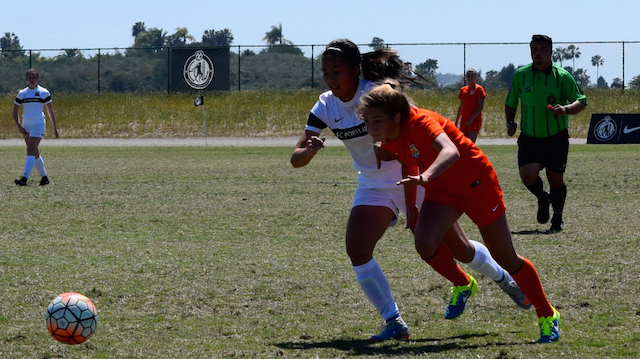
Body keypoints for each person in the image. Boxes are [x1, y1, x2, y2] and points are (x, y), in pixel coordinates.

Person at [290, 39, 530, 343]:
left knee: (458, 248)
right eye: (325, 73)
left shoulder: (377, 93)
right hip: (372, 183)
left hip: (411, 176)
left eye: (337, 71)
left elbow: (414, 124)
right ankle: (394, 321)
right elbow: (296, 159)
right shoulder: (325, 105)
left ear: (354, 70)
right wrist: (308, 152)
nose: (330, 79)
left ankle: (502, 277)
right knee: (357, 247)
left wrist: (411, 163)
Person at [359, 80, 560, 343]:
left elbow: (450, 150)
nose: (370, 128)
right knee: (425, 243)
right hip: (443, 188)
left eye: (376, 121)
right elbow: (409, 165)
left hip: (475, 182)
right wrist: (412, 211)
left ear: (396, 117)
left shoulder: (421, 122)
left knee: (506, 257)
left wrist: (427, 175)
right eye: (367, 121)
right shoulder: (389, 137)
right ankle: (463, 283)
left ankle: (547, 315)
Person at [505, 35, 587, 233]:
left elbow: (581, 100)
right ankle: (543, 198)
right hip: (530, 137)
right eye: (535, 49)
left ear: (551, 52)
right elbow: (511, 101)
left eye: (543, 49)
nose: (538, 53)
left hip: (556, 137)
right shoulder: (521, 75)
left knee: (555, 179)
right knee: (527, 176)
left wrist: (566, 109)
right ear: (531, 51)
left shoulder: (562, 76)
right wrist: (510, 122)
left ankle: (557, 219)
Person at [13, 69, 59, 186]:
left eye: (34, 77)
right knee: (34, 152)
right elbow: (15, 111)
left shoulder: (44, 92)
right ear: (26, 79)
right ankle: (44, 178)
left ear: (38, 78)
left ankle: (24, 178)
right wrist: (18, 125)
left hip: (38, 124)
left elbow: (50, 110)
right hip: (26, 124)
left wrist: (55, 128)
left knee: (30, 150)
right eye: (29, 77)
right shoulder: (22, 93)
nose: (32, 79)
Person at [455, 68, 485, 143]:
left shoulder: (479, 89)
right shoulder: (463, 90)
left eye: (472, 76)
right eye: (468, 76)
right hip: (464, 120)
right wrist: (456, 121)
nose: (470, 78)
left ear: (476, 77)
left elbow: (480, 106)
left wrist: (471, 118)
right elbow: (461, 106)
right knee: (463, 143)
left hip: (474, 120)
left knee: (470, 143)